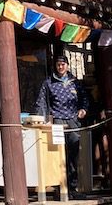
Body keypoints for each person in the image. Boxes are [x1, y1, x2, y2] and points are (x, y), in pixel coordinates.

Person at [34, 53, 89, 196]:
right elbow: (42, 102)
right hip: (57, 120)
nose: (60, 67)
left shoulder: (75, 82)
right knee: (58, 155)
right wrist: (43, 119)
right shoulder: (48, 82)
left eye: (63, 64)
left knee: (74, 155)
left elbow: (85, 98)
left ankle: (73, 188)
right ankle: (59, 188)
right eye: (58, 64)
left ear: (67, 66)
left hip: (73, 120)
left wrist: (83, 109)